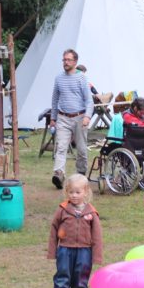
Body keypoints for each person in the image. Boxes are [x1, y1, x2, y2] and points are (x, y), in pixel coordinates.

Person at [46, 173, 103, 288]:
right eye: (71, 192)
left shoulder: (91, 212)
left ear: (86, 192)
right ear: (67, 192)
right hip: (65, 249)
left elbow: (97, 235)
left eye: (78, 192)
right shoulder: (62, 210)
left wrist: (97, 256)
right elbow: (54, 229)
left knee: (82, 272)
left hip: (85, 250)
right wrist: (52, 251)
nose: (74, 195)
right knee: (63, 272)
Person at [49, 49, 93, 189]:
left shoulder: (81, 78)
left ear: (75, 62)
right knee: (61, 147)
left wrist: (87, 116)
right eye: (64, 60)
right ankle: (59, 174)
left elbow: (89, 100)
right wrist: (53, 118)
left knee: (81, 149)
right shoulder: (58, 78)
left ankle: (81, 174)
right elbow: (55, 99)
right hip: (63, 117)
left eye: (68, 60)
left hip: (80, 117)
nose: (65, 62)